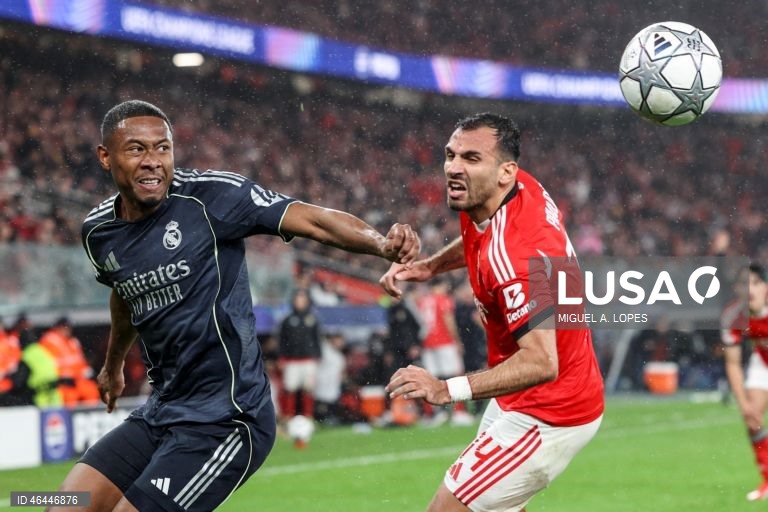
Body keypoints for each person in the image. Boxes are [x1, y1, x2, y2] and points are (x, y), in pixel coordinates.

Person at [51, 99, 420, 512]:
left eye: (163, 148)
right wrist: (113, 365)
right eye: (136, 149)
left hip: (227, 419)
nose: (153, 161)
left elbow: (311, 218)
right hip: (161, 412)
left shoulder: (211, 198)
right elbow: (124, 294)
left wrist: (379, 244)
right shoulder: (98, 231)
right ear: (106, 156)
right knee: (60, 503)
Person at [380, 113, 604, 512]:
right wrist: (431, 266)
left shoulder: (518, 254)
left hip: (550, 410)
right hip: (523, 394)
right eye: (450, 156)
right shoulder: (509, 190)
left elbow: (542, 361)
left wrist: (446, 389)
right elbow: (476, 236)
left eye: (470, 158)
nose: (453, 168)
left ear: (505, 172)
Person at [722, 263, 768, 501]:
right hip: (763, 363)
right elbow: (732, 363)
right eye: (743, 285)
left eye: (755, 283)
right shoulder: (733, 316)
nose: (750, 290)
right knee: (753, 419)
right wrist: (743, 403)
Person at [277, 288, 322, 444]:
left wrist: (318, 356)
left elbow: (317, 339)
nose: (300, 302)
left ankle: (308, 417)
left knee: (308, 389)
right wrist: (281, 358)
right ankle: (288, 418)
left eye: (302, 299)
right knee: (290, 389)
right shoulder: (287, 320)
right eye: (297, 299)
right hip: (292, 360)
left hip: (308, 359)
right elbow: (282, 340)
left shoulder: (312, 319)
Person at [38, 317, 100, 406]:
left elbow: (81, 363)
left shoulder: (73, 342)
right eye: (64, 326)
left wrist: (87, 372)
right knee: (70, 397)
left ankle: (90, 415)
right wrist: (67, 374)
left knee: (92, 391)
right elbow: (50, 364)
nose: (67, 329)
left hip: (77, 379)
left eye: (68, 327)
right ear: (57, 327)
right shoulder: (49, 340)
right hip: (61, 382)